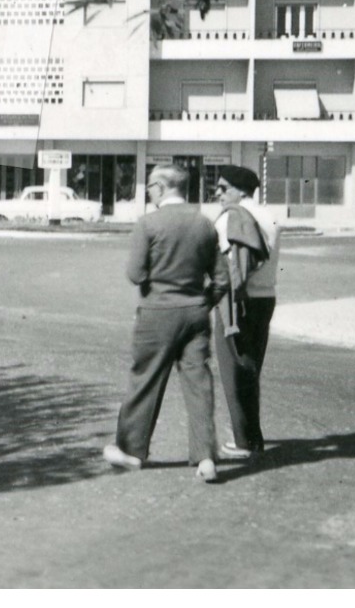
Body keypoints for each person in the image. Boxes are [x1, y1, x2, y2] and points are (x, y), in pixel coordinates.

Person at [104, 164, 229, 484]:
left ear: (160, 187)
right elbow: (221, 279)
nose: (147, 191)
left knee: (145, 379)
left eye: (149, 186)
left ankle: (131, 450)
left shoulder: (148, 224)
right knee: (199, 384)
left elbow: (135, 274)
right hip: (195, 313)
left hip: (157, 312)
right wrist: (203, 302)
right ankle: (205, 458)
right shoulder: (204, 224)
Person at [209, 164, 278, 462]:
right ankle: (253, 437)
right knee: (251, 368)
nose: (218, 193)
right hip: (266, 298)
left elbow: (226, 269)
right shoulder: (271, 217)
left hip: (236, 301)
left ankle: (244, 441)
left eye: (223, 188)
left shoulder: (230, 219)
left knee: (233, 370)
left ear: (240, 190)